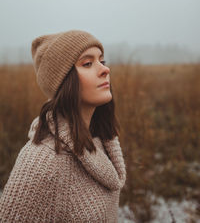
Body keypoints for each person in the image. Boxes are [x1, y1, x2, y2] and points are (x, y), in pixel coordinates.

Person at [0, 30, 127, 222]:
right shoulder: (42, 162)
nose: (104, 69)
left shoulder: (99, 142)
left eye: (102, 61)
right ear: (64, 82)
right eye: (87, 63)